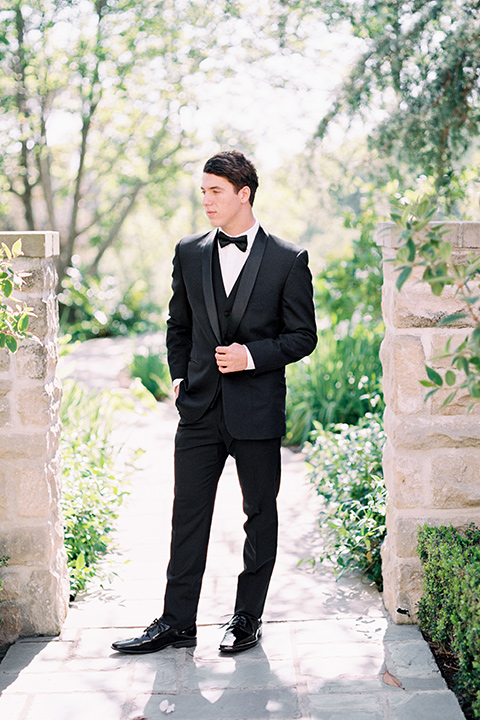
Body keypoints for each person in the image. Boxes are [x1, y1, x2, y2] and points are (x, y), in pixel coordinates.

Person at [112, 150, 317, 655]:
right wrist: (180, 378)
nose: (205, 200)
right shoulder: (189, 251)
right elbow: (177, 325)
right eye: (202, 190)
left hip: (257, 410)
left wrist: (251, 356)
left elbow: (303, 337)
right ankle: (177, 622)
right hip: (199, 410)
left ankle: (247, 618)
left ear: (243, 194)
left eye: (215, 191)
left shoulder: (289, 260)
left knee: (259, 515)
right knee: (187, 517)